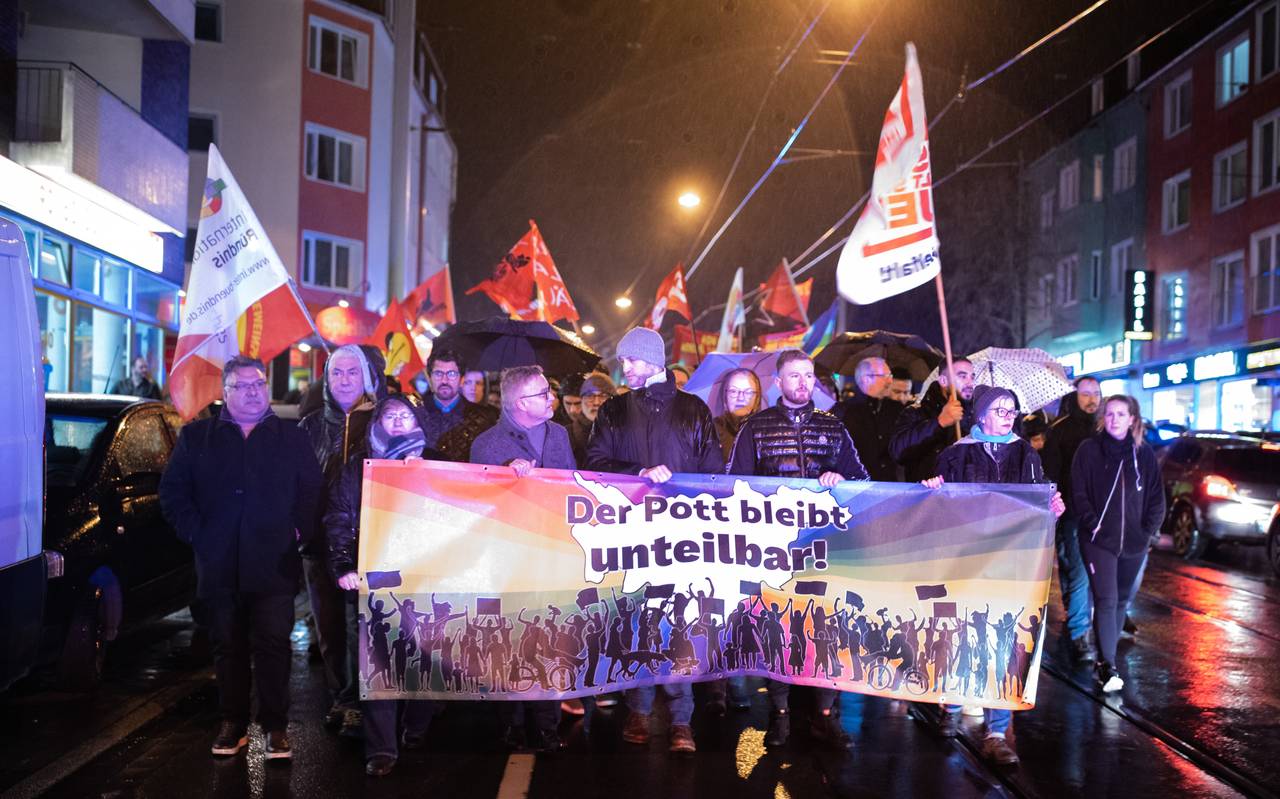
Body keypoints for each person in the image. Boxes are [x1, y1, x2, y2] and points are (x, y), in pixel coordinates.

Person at [159, 355, 323, 761]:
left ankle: (275, 726)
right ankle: (232, 722)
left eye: (259, 384)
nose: (253, 392)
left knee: (273, 645)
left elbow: (311, 491)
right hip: (219, 565)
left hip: (274, 563)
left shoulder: (291, 437)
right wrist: (198, 534)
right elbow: (174, 493)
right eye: (243, 386)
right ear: (226, 393)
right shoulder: (198, 438)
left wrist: (297, 530)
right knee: (227, 646)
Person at [586, 327, 723, 754]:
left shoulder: (693, 411)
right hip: (632, 535)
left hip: (684, 538)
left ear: (653, 361)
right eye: (623, 360)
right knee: (637, 623)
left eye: (631, 360)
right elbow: (594, 462)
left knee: (682, 625)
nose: (623, 368)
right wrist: (638, 474)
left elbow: (713, 474)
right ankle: (639, 708)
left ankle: (682, 720)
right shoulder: (614, 411)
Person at [727, 349, 868, 750]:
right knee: (780, 630)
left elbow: (862, 480)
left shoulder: (833, 427)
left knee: (827, 629)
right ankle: (780, 716)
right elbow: (735, 485)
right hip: (776, 549)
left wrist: (840, 477)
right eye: (795, 376)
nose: (804, 383)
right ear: (778, 383)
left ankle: (826, 715)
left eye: (809, 376)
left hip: (825, 546)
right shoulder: (755, 428)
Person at [921, 385, 1066, 766]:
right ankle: (950, 705)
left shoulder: (1025, 454)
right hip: (964, 562)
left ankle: (997, 731)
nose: (1007, 414)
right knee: (960, 635)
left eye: (1011, 408)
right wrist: (933, 490)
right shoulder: (954, 454)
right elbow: (936, 512)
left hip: (1009, 564)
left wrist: (1052, 505)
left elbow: (1038, 502)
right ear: (981, 414)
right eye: (999, 408)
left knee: (1003, 644)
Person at [325, 393, 439, 776]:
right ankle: (381, 749)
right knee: (379, 663)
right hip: (376, 579)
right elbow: (340, 517)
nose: (398, 423)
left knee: (425, 658)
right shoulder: (358, 468)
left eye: (406, 417)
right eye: (390, 416)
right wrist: (343, 564)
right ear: (377, 423)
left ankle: (416, 726)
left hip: (426, 580)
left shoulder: (438, 464)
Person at [471, 365, 577, 752]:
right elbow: (477, 503)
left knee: (550, 642)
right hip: (509, 564)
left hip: (553, 557)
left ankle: (547, 727)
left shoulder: (560, 435)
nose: (552, 398)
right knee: (511, 645)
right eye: (543, 393)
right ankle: (511, 725)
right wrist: (503, 475)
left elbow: (572, 485)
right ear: (519, 403)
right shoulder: (487, 445)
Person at [298, 344, 384, 738]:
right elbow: (292, 482)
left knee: (360, 628)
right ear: (326, 379)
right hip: (318, 545)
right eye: (336, 372)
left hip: (367, 545)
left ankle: (358, 702)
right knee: (330, 630)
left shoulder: (383, 419)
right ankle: (340, 695)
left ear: (365, 376)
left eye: (352, 372)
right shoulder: (310, 425)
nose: (344, 379)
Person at [1070, 395, 1164, 693]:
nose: (1114, 419)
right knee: (1106, 599)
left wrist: (1148, 531)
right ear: (1103, 418)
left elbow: (1156, 497)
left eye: (1121, 414)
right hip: (1099, 540)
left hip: (1134, 543)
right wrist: (1092, 522)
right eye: (1109, 414)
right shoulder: (1089, 450)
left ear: (1132, 419)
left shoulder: (1144, 454)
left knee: (1122, 600)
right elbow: (1078, 490)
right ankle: (1107, 665)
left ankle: (1106, 658)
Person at [1040, 377, 1102, 663]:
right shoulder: (1061, 431)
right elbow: (1050, 474)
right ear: (1074, 396)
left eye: (1096, 393)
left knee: (1089, 572)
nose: (1092, 399)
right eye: (1086, 393)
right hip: (1073, 515)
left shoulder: (1105, 429)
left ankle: (1084, 620)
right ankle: (1079, 631)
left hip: (1103, 515)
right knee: (1077, 572)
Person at [890, 358, 976, 482]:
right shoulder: (916, 412)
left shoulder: (976, 415)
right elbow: (898, 452)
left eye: (972, 377)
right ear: (943, 380)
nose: (970, 383)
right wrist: (939, 423)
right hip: (927, 497)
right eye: (962, 376)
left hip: (966, 496)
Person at [420, 349, 499, 462]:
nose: (444, 380)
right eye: (438, 373)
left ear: (461, 379)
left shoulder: (485, 418)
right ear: (429, 377)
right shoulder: (415, 414)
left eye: (451, 374)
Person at [838, 356, 904, 481]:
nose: (890, 381)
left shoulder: (897, 409)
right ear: (866, 379)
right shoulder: (844, 412)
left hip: (891, 487)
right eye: (885, 376)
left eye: (890, 375)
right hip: (857, 487)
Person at [713, 367, 762, 459]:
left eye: (748, 392)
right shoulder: (711, 430)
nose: (740, 398)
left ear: (757, 398)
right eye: (733, 391)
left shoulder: (765, 429)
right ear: (725, 396)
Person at [570, 372, 616, 467]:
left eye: (603, 396)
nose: (596, 402)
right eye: (590, 396)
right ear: (581, 400)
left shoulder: (626, 433)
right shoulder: (565, 435)